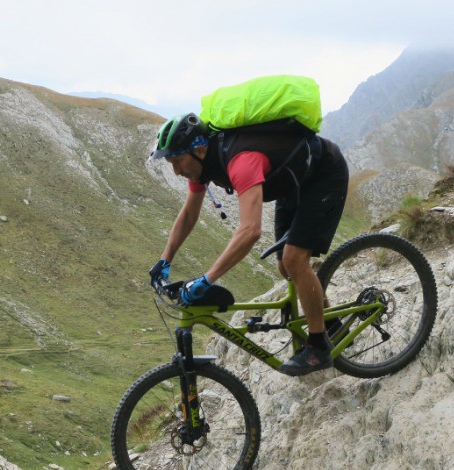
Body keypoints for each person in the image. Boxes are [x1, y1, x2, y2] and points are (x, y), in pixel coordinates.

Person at [148, 112, 349, 375]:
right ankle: (331, 324)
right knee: (285, 268)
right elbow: (188, 214)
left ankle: (318, 346)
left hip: (324, 174)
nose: (176, 172)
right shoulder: (201, 165)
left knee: (294, 259)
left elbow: (250, 230)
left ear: (198, 149)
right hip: (292, 184)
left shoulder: (241, 161)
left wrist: (207, 279)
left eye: (177, 161)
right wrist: (165, 260)